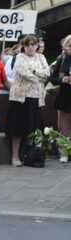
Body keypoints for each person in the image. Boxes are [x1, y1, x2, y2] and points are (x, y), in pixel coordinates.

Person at [6, 33, 50, 167]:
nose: (30, 47)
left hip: (36, 98)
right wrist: (39, 75)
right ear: (23, 46)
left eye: (33, 44)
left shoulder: (41, 57)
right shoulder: (19, 57)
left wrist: (36, 72)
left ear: (37, 46)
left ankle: (28, 155)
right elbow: (25, 73)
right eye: (27, 44)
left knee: (32, 128)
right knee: (17, 128)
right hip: (20, 98)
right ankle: (15, 156)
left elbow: (47, 73)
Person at [49, 34, 71, 163]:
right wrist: (62, 79)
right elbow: (52, 78)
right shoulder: (61, 59)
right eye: (70, 44)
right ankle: (64, 153)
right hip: (64, 97)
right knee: (64, 127)